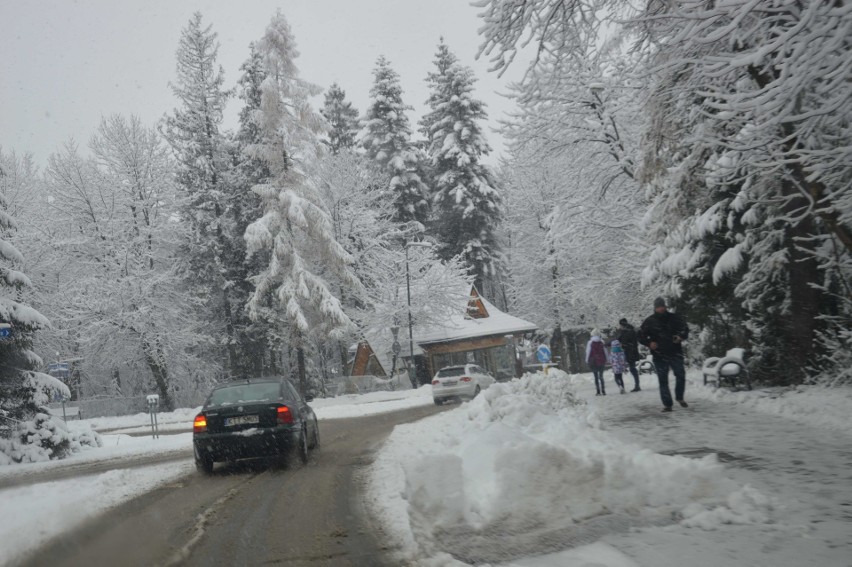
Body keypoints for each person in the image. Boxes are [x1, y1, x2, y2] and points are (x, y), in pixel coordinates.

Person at [639, 297, 690, 412]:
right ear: (655, 308)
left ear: (665, 306)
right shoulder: (649, 321)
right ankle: (667, 404)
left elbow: (685, 329)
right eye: (658, 307)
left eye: (662, 306)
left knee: (681, 375)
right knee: (663, 380)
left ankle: (680, 397)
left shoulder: (674, 318)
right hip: (659, 355)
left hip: (675, 352)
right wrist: (649, 343)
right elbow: (640, 336)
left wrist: (680, 336)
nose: (661, 308)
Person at [615, 318, 641, 392]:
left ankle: (637, 386)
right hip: (630, 352)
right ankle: (637, 385)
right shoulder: (626, 331)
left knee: (633, 369)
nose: (619, 326)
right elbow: (617, 340)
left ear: (622, 325)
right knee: (632, 369)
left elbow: (633, 343)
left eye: (620, 325)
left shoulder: (629, 332)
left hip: (631, 353)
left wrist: (625, 345)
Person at [586, 329, 608, 396]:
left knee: (595, 377)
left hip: (594, 361)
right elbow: (605, 351)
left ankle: (598, 391)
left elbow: (588, 352)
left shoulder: (590, 342)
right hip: (601, 360)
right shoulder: (602, 342)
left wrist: (587, 360)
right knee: (601, 376)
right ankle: (603, 390)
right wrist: (607, 359)